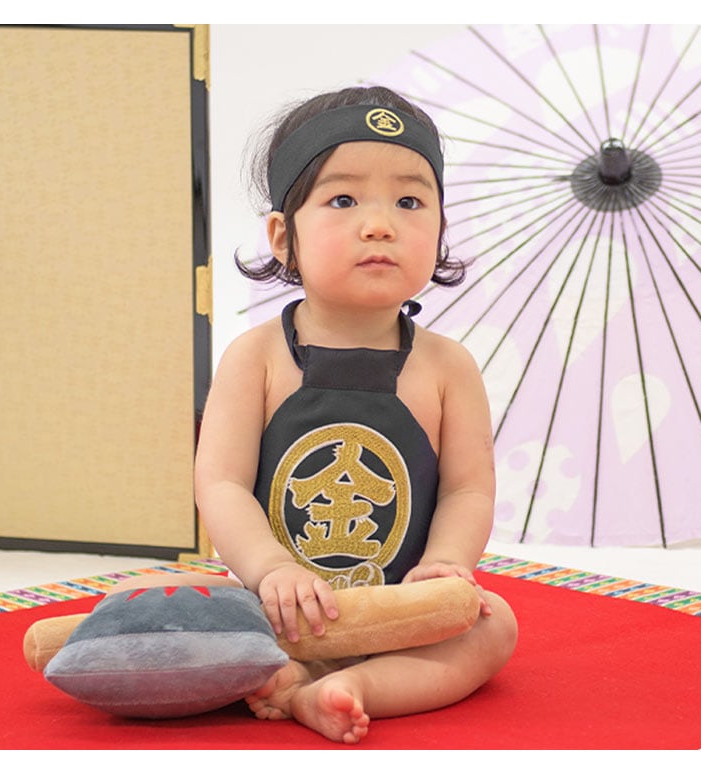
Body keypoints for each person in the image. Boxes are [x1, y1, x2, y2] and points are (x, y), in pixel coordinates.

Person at [191, 85, 518, 744]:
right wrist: (271, 569)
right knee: (192, 612)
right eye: (343, 200)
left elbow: (467, 489)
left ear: (441, 231)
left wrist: (445, 564)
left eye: (409, 202)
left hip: (399, 613)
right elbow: (220, 484)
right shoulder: (255, 358)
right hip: (280, 609)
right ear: (283, 237)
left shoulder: (448, 366)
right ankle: (289, 671)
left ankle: (352, 688)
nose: (379, 225)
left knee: (494, 626)